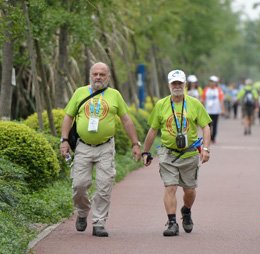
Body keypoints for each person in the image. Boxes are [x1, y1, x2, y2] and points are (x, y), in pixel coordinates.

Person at [59, 62, 142, 237]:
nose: (98, 77)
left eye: (102, 74)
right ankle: (82, 212)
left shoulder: (115, 95)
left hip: (105, 147)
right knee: (79, 185)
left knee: (104, 185)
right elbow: (68, 117)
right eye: (95, 74)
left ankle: (99, 222)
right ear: (90, 75)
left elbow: (126, 120)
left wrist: (135, 143)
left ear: (108, 77)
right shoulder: (80, 92)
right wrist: (64, 140)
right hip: (83, 147)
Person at [141, 69, 211, 237]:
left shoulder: (194, 103)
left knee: (189, 190)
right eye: (174, 83)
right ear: (169, 85)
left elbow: (206, 127)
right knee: (170, 187)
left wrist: (206, 149)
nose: (177, 86)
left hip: (189, 154)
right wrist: (145, 151)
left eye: (180, 83)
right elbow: (153, 130)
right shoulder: (161, 105)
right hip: (168, 153)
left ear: (185, 84)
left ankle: (186, 211)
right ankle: (172, 222)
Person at [201, 75, 224, 143]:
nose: (212, 83)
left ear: (216, 83)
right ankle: (208, 138)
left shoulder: (218, 90)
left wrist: (222, 109)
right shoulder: (206, 90)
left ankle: (213, 137)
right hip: (207, 111)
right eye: (210, 81)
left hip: (216, 111)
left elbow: (221, 100)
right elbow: (203, 99)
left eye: (213, 82)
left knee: (215, 125)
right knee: (208, 126)